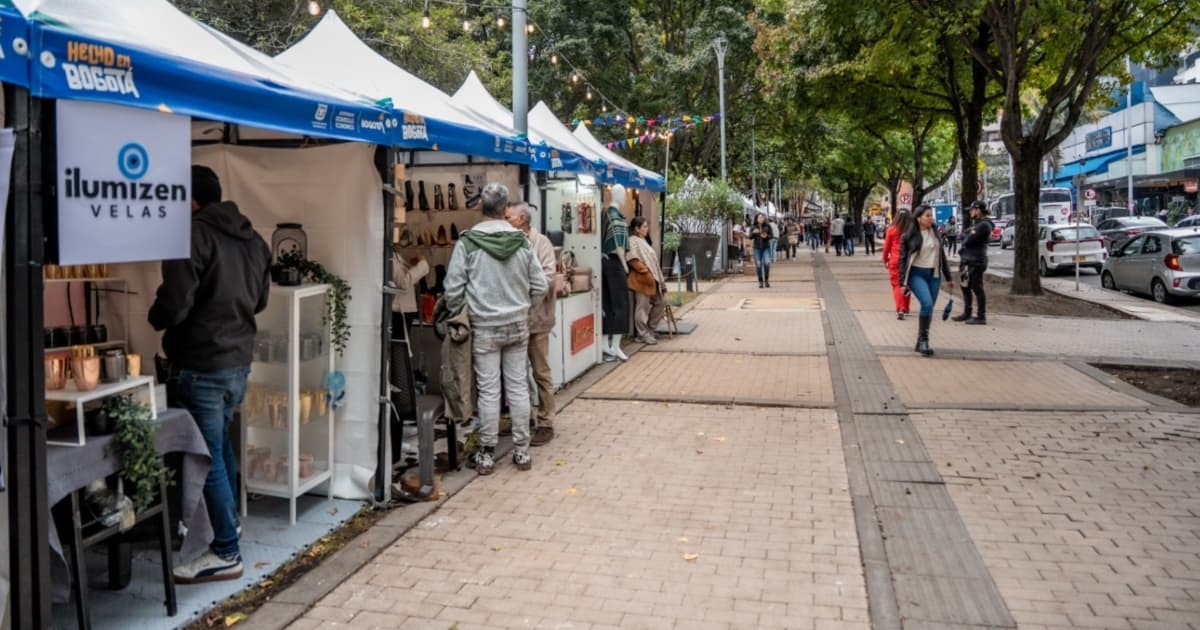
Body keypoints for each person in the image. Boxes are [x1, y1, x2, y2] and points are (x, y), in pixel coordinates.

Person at [149, 166, 271, 583]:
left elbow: (175, 303)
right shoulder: (253, 239)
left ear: (190, 199)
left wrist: (157, 316)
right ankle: (228, 525)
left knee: (210, 456)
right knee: (222, 448)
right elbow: (259, 301)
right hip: (237, 360)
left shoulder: (191, 236)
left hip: (201, 362)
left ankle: (225, 551)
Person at [444, 183, 547, 475]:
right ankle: (522, 451)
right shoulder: (522, 242)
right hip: (517, 326)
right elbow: (540, 285)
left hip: (484, 328)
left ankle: (487, 454)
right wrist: (524, 308)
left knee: (489, 392)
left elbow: (452, 289)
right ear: (504, 209)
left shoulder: (468, 243)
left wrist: (462, 312)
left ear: (481, 206)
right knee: (518, 388)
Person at [504, 202, 558, 446]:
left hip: (537, 318)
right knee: (516, 374)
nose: (505, 220)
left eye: (509, 217)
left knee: (540, 372)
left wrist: (522, 289)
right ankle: (524, 417)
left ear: (522, 219)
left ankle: (546, 422)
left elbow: (549, 277)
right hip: (514, 318)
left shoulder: (541, 243)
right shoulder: (507, 240)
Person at [899, 205, 955, 356]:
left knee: (929, 309)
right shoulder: (908, 236)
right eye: (927, 215)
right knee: (927, 303)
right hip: (916, 274)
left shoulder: (936, 233)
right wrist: (902, 282)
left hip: (934, 275)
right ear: (919, 218)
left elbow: (942, 256)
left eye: (931, 215)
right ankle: (924, 341)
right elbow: (902, 260)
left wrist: (948, 277)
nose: (931, 218)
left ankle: (920, 342)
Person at [601, 185, 632, 361]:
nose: (624, 197)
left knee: (608, 304)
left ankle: (606, 344)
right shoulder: (615, 218)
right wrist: (624, 265)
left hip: (604, 262)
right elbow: (618, 246)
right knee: (621, 304)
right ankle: (615, 345)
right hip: (614, 262)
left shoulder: (606, 214)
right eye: (623, 194)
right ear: (618, 195)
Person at [951, 200, 993, 325]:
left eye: (972, 210)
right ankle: (967, 312)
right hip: (968, 260)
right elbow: (962, 236)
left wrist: (967, 235)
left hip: (976, 261)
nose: (970, 212)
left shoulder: (984, 225)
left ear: (978, 210)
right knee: (965, 287)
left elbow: (968, 240)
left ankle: (981, 316)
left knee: (977, 287)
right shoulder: (977, 224)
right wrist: (967, 234)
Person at [626, 217, 666, 345]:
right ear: (637, 228)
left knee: (660, 302)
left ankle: (650, 330)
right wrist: (645, 272)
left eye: (647, 226)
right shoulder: (632, 240)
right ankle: (642, 334)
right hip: (642, 279)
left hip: (653, 279)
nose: (647, 229)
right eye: (644, 226)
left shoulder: (643, 241)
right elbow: (632, 258)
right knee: (642, 308)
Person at [882, 211, 913, 320]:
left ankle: (900, 308)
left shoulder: (891, 229)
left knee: (896, 285)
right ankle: (906, 308)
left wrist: (885, 259)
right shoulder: (912, 230)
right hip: (909, 261)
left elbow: (886, 247)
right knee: (907, 284)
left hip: (895, 260)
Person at [750, 213, 773, 288]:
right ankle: (760, 281)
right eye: (759, 217)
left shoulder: (767, 226)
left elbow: (771, 235)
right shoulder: (753, 226)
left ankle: (766, 280)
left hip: (766, 247)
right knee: (758, 265)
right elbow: (750, 237)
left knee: (766, 263)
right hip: (757, 248)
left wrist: (766, 236)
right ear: (756, 219)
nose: (761, 219)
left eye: (762, 217)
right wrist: (753, 233)